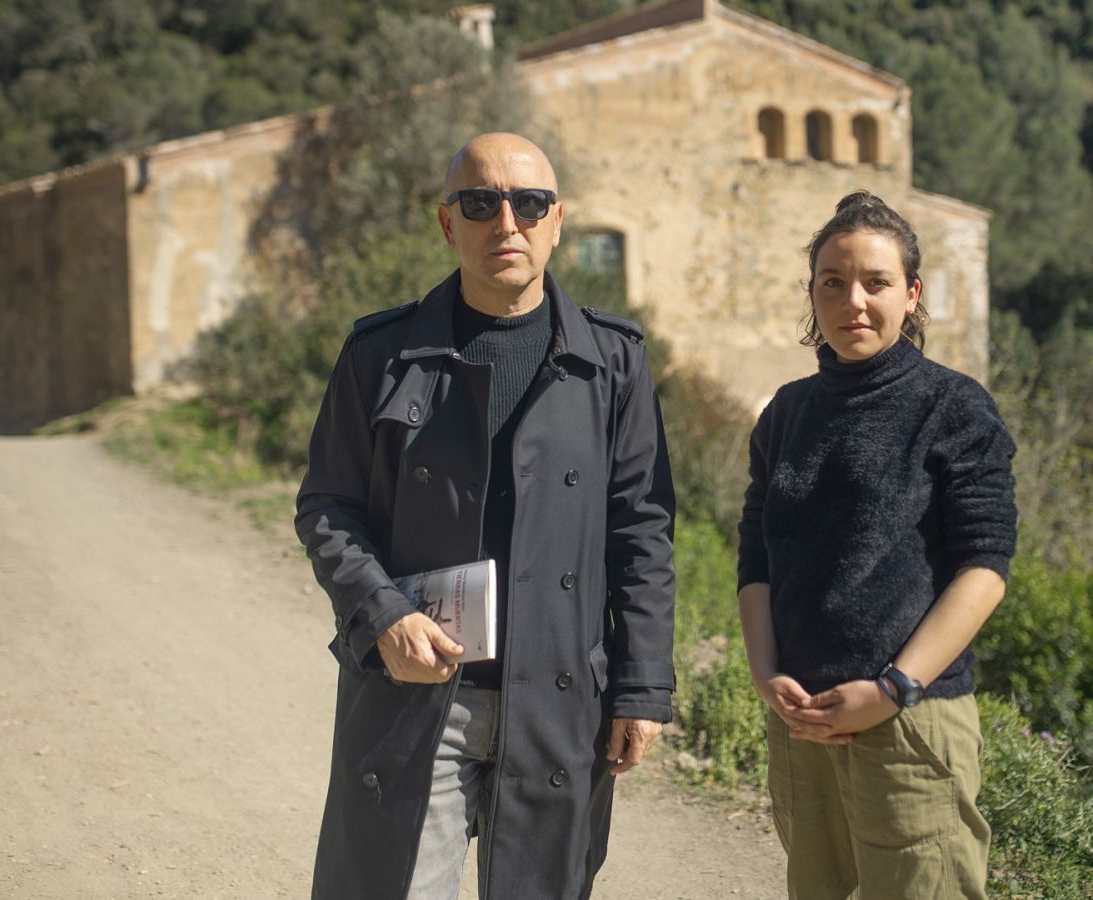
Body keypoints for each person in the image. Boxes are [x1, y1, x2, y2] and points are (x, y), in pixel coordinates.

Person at [295, 132, 677, 900]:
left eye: (529, 203)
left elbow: (642, 530)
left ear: (557, 220)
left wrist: (642, 687)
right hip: (416, 695)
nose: (508, 223)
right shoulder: (382, 353)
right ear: (448, 224)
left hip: (560, 702)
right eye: (482, 203)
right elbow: (328, 507)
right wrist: (384, 614)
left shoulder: (614, 361)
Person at [736, 191, 1016, 899]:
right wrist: (767, 675)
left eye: (876, 283)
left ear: (912, 294)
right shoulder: (787, 414)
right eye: (833, 282)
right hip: (802, 724)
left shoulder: (952, 407)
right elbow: (756, 556)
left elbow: (985, 567)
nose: (852, 300)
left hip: (911, 725)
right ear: (812, 294)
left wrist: (894, 688)